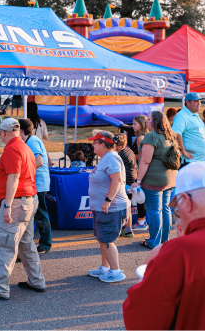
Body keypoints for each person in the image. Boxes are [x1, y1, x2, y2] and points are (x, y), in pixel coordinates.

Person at [123, 162, 205, 331]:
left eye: (176, 208)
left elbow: (139, 321)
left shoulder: (179, 252)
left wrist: (149, 276)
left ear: (186, 201)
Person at [0, 118, 45, 300]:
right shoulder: (25, 146)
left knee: (5, 246)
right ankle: (36, 280)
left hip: (17, 202)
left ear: (4, 132)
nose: (0, 136)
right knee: (26, 244)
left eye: (0, 133)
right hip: (29, 200)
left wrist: (6, 205)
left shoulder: (12, 149)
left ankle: (0, 289)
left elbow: (13, 178)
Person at [86, 131, 130, 283]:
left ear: (103, 144)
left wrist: (107, 200)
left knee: (107, 239)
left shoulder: (111, 158)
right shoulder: (107, 158)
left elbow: (116, 180)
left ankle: (116, 271)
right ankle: (105, 268)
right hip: (104, 207)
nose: (92, 145)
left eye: (95, 143)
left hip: (111, 207)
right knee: (103, 238)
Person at [131, 111, 177, 249]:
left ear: (156, 121)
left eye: (149, 119)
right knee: (165, 209)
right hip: (170, 177)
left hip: (154, 179)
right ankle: (164, 240)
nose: (147, 121)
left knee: (154, 210)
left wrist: (138, 181)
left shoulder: (151, 137)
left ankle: (154, 242)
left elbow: (145, 161)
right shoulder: (171, 135)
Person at [19, 119, 52, 253]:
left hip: (39, 183)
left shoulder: (32, 141)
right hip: (35, 182)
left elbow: (38, 161)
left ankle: (45, 244)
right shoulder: (29, 141)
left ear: (20, 130)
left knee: (41, 214)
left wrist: (23, 171)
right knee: (36, 214)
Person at [172, 92, 205, 165]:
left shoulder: (194, 115)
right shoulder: (182, 116)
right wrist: (183, 151)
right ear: (187, 102)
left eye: (200, 101)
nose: (199, 103)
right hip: (190, 161)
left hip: (198, 161)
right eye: (196, 101)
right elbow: (175, 133)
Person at [115, 133, 138, 238]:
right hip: (131, 181)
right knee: (127, 206)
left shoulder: (119, 155)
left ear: (118, 147)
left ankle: (124, 229)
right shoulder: (128, 150)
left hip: (126, 183)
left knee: (123, 207)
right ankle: (128, 230)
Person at [131, 114, 149, 229]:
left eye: (135, 124)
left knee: (140, 196)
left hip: (140, 170)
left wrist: (130, 155)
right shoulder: (146, 136)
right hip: (144, 170)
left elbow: (142, 157)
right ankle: (143, 221)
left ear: (141, 125)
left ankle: (141, 222)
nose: (132, 126)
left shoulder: (140, 138)